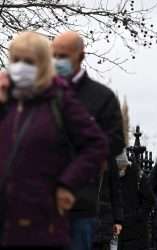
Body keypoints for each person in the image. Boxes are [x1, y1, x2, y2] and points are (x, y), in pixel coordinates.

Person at [0, 32, 108, 249]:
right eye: (16, 60)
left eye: (29, 62)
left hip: (42, 221)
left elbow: (96, 145)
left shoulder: (59, 99)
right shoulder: (7, 99)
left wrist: (67, 185)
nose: (21, 67)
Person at [52, 31, 125, 250]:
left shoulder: (101, 97)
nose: (57, 61)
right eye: (53, 55)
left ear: (80, 56)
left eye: (63, 56)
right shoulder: (40, 93)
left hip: (79, 203)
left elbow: (114, 141)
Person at [118, 150, 155, 250]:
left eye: (121, 168)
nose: (120, 171)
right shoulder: (110, 176)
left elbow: (149, 199)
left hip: (135, 231)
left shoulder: (138, 176)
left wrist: (137, 216)